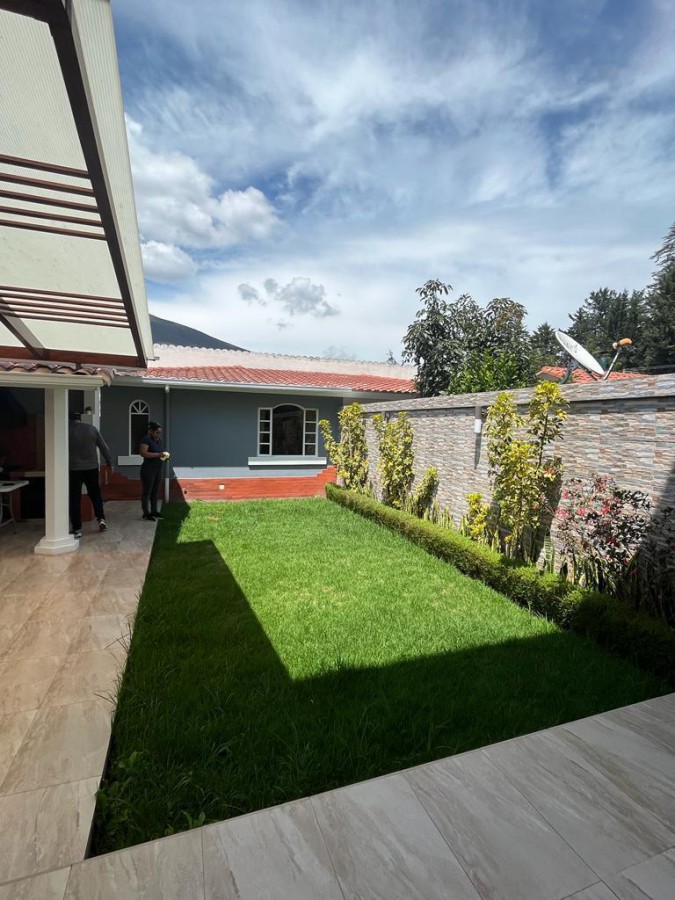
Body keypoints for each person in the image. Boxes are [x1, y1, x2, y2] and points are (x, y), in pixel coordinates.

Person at [68, 411, 113, 539]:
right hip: (92, 467)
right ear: (80, 418)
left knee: (74, 498)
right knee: (95, 494)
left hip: (74, 468)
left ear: (70, 419)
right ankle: (101, 519)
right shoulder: (91, 429)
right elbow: (104, 447)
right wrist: (110, 462)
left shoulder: (67, 431)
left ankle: (77, 529)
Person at [139, 421, 167, 521]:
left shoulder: (159, 440)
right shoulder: (146, 439)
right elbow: (143, 453)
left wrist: (164, 457)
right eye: (157, 432)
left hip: (158, 469)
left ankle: (154, 511)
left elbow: (160, 453)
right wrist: (158, 455)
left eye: (160, 432)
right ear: (151, 431)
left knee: (155, 491)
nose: (159, 434)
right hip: (148, 470)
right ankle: (146, 513)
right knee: (147, 492)